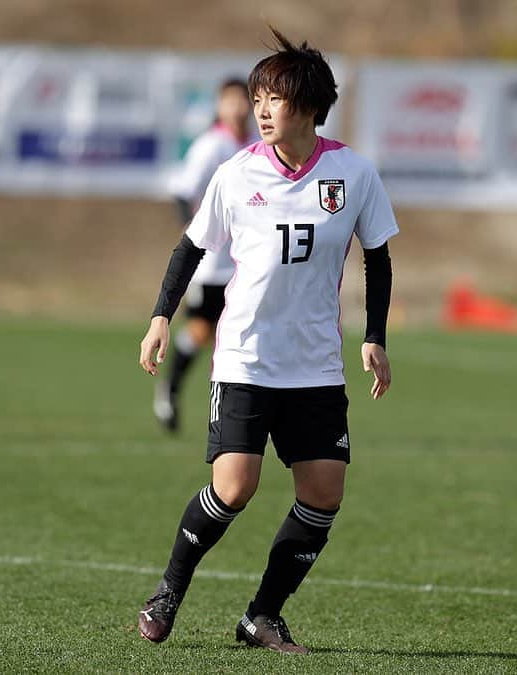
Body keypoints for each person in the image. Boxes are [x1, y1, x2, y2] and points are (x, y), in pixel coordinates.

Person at [137, 27, 398, 654]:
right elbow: (191, 247)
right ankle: (168, 591)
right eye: (256, 97)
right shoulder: (235, 173)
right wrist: (160, 316)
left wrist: (376, 336)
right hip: (246, 359)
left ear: (308, 106)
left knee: (324, 492)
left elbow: (379, 256)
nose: (260, 109)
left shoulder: (353, 174)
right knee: (235, 486)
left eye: (273, 99)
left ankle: (262, 616)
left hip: (315, 366)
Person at [154, 78, 253, 431]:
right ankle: (170, 390)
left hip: (249, 265)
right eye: (231, 100)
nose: (239, 107)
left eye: (245, 100)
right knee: (200, 331)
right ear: (219, 105)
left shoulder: (258, 146)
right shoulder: (212, 146)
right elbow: (182, 191)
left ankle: (243, 412)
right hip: (212, 265)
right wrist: (193, 234)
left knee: (243, 336)